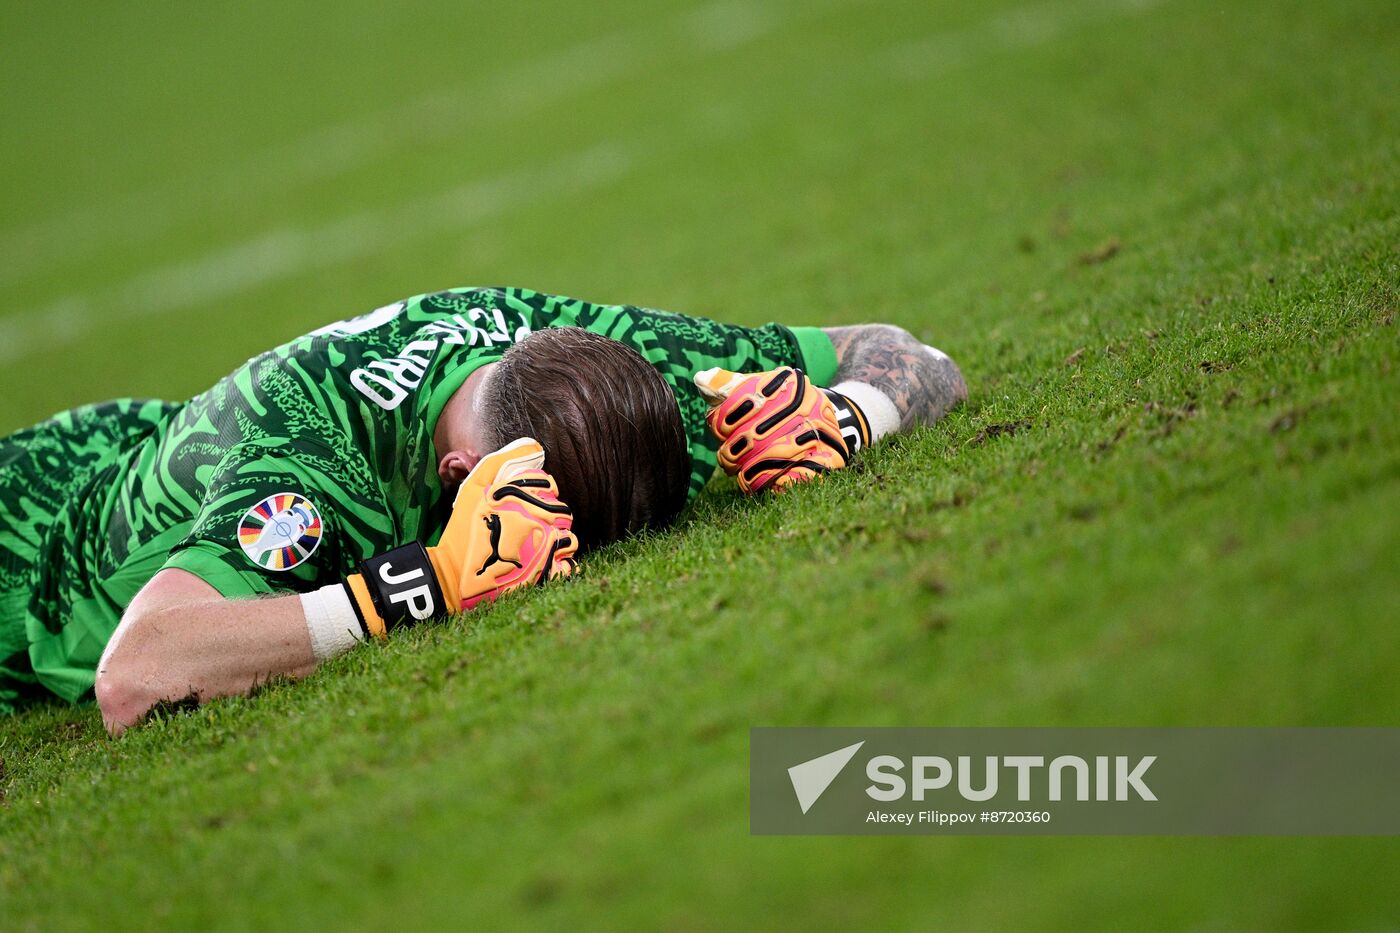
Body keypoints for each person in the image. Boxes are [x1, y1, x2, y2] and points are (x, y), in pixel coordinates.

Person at [0, 286, 966, 734]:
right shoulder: (315, 465)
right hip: (27, 547)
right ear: (467, 472)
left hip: (151, 446)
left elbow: (907, 349)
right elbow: (137, 673)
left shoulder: (613, 359)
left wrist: (848, 416)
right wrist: (418, 586)